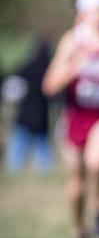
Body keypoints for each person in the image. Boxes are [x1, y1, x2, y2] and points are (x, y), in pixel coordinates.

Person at [42, 0, 99, 238]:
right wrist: (75, 67)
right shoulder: (72, 41)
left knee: (96, 163)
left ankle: (98, 206)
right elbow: (50, 85)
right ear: (82, 13)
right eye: (94, 10)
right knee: (76, 186)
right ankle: (79, 230)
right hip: (76, 117)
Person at [3, 37, 53, 174]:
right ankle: (45, 173)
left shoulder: (27, 66)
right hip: (41, 118)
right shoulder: (50, 69)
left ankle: (13, 171)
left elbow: (11, 83)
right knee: (42, 152)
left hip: (24, 116)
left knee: (17, 150)